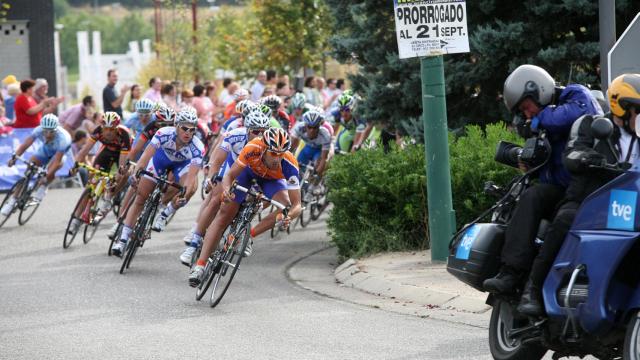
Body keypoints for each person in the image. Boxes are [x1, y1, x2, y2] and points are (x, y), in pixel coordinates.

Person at [517, 73, 640, 316]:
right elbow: (571, 153)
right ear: (621, 106)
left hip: (624, 204)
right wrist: (588, 158)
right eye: (636, 109)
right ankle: (532, 288)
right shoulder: (592, 125)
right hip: (587, 201)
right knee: (565, 220)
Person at [482, 64, 604, 294]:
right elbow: (550, 161)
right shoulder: (544, 119)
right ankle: (511, 272)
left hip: (586, 190)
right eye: (524, 112)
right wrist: (530, 164)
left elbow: (572, 115)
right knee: (531, 196)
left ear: (538, 90)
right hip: (561, 188)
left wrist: (536, 123)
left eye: (527, 107)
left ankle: (538, 285)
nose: (528, 114)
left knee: (560, 216)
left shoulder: (575, 94)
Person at [188, 127, 302, 286]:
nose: (277, 158)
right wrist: (227, 190)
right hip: (247, 174)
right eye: (274, 153)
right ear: (264, 148)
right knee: (223, 215)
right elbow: (229, 175)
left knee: (285, 205)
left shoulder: (289, 163)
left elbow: (297, 205)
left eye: (281, 153)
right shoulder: (252, 148)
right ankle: (200, 266)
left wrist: (288, 216)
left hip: (272, 181)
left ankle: (249, 235)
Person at [178, 110, 271, 265]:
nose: (260, 135)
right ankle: (193, 245)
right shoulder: (234, 135)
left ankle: (243, 231)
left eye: (263, 132)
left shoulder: (269, 143)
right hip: (232, 168)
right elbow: (217, 161)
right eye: (256, 131)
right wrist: (210, 178)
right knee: (215, 200)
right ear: (247, 130)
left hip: (254, 173)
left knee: (255, 202)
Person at [111, 107, 204, 256]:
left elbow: (191, 177)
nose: (188, 133)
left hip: (182, 165)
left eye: (192, 130)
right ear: (176, 126)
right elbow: (145, 157)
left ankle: (166, 212)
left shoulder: (198, 147)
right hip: (161, 159)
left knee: (189, 188)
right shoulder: (163, 133)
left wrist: (183, 194)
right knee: (140, 198)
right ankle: (122, 241)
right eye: (184, 128)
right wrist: (136, 173)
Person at [70, 112, 132, 235]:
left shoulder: (124, 134)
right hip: (107, 151)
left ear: (117, 128)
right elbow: (84, 150)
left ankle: (109, 198)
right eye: (106, 129)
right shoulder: (98, 130)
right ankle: (76, 220)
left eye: (111, 129)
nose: (108, 132)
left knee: (123, 173)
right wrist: (75, 165)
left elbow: (121, 164)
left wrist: (118, 176)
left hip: (122, 153)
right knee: (92, 180)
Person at [1, 114, 71, 216]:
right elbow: (25, 145)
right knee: (28, 169)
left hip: (59, 154)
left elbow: (56, 162)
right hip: (46, 150)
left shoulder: (63, 139)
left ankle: (44, 186)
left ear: (56, 130)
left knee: (51, 170)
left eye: (51, 131)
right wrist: (14, 158)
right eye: (45, 131)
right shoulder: (38, 130)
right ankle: (13, 200)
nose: (47, 134)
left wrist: (46, 176)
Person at [290, 110, 331, 179]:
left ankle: (312, 185)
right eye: (309, 127)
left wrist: (317, 173)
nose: (312, 130)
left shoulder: (325, 134)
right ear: (305, 125)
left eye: (315, 127)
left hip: (319, 151)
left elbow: (324, 158)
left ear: (319, 126)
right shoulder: (299, 128)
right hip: (307, 149)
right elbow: (290, 147)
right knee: (296, 167)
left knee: (317, 166)